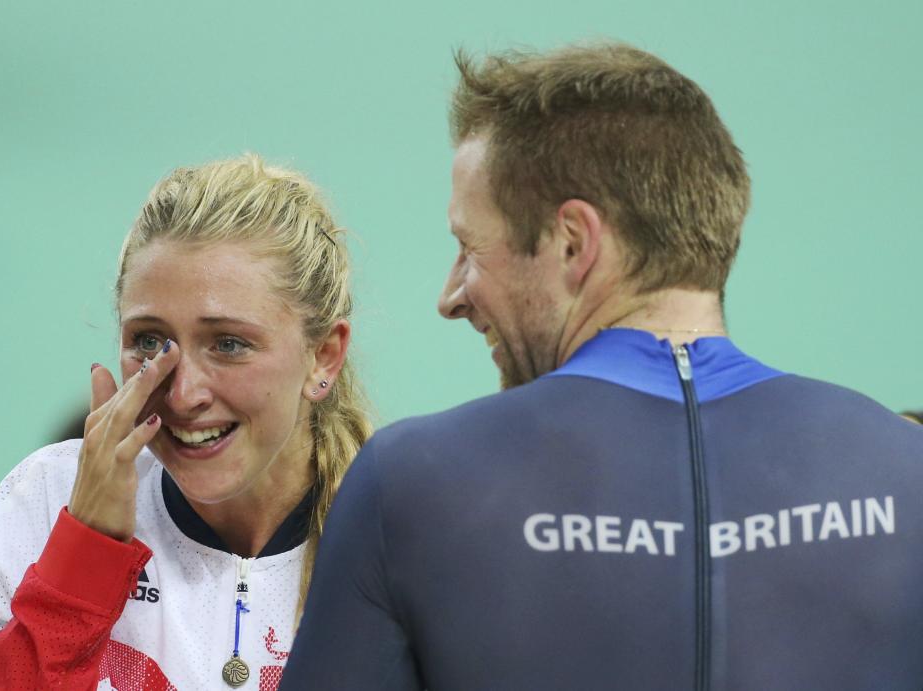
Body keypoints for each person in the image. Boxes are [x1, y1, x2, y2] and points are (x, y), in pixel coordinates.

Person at [280, 43, 923, 690]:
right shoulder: (906, 469)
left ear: (573, 242)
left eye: (468, 246)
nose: (450, 296)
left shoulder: (407, 484)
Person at [0, 153, 370, 689]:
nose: (181, 393)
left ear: (322, 356)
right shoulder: (49, 496)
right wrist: (83, 553)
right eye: (149, 342)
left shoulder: (398, 533)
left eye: (228, 344)